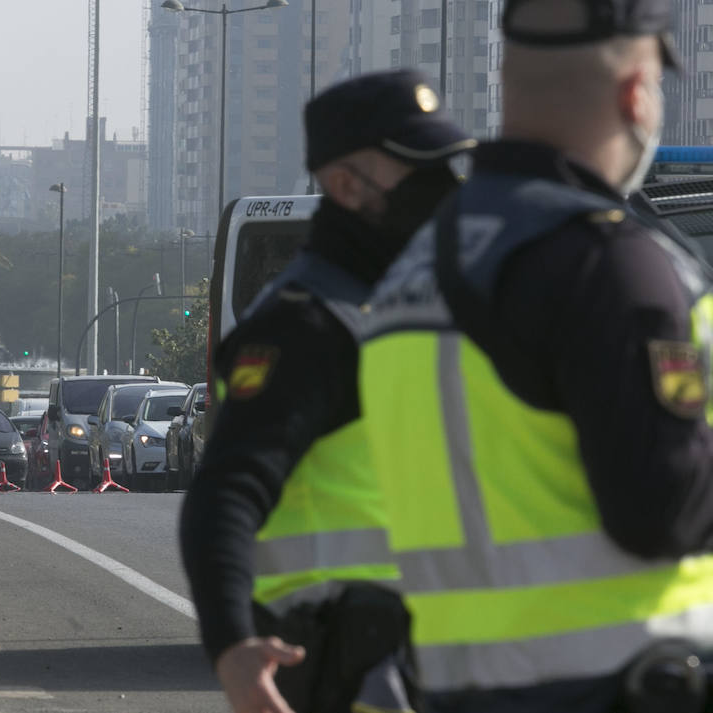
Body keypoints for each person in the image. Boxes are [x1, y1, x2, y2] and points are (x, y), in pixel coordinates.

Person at [357, 1, 713, 712]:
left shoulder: (416, 271)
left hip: (462, 688)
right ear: (635, 94)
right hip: (623, 686)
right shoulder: (606, 263)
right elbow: (661, 503)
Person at [180, 69, 475, 713]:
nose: (448, 189)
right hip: (342, 671)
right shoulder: (302, 327)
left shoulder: (416, 312)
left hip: (437, 665)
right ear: (346, 183)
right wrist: (233, 650)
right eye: (423, 171)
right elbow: (224, 494)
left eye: (453, 166)